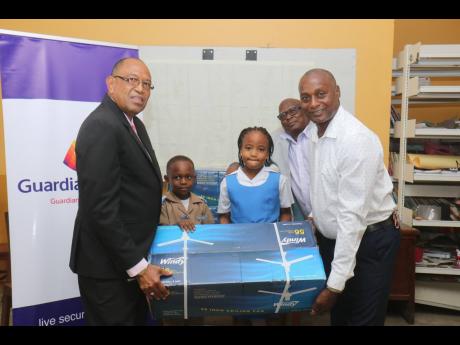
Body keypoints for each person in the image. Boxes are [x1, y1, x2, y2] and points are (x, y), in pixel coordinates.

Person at [69, 57, 172, 326]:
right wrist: (139, 267)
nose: (140, 88)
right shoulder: (102, 125)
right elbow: (100, 209)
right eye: (132, 80)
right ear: (111, 83)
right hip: (109, 268)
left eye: (147, 84)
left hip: (127, 262)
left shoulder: (133, 124)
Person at [298, 68, 400, 326]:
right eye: (306, 97)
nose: (313, 104)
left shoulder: (355, 140)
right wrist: (315, 215)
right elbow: (324, 184)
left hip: (369, 242)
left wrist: (334, 286)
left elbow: (351, 217)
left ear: (337, 92)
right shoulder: (312, 133)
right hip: (337, 242)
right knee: (341, 318)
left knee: (362, 319)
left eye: (321, 94)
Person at [217, 126, 293, 224]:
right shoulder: (227, 182)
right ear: (240, 151)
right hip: (239, 238)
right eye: (248, 148)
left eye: (261, 149)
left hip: (269, 238)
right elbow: (224, 216)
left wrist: (280, 235)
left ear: (267, 154)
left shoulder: (280, 180)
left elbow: (286, 213)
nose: (254, 153)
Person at [271, 98, 312, 220]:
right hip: (301, 216)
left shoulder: (319, 134)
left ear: (304, 110)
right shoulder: (276, 140)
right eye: (282, 116)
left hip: (332, 214)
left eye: (293, 111)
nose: (288, 117)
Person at [160, 155, 214, 232]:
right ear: (167, 179)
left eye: (188, 177)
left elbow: (210, 229)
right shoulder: (163, 205)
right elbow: (162, 231)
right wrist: (177, 225)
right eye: (177, 177)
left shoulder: (201, 204)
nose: (183, 182)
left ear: (194, 179)